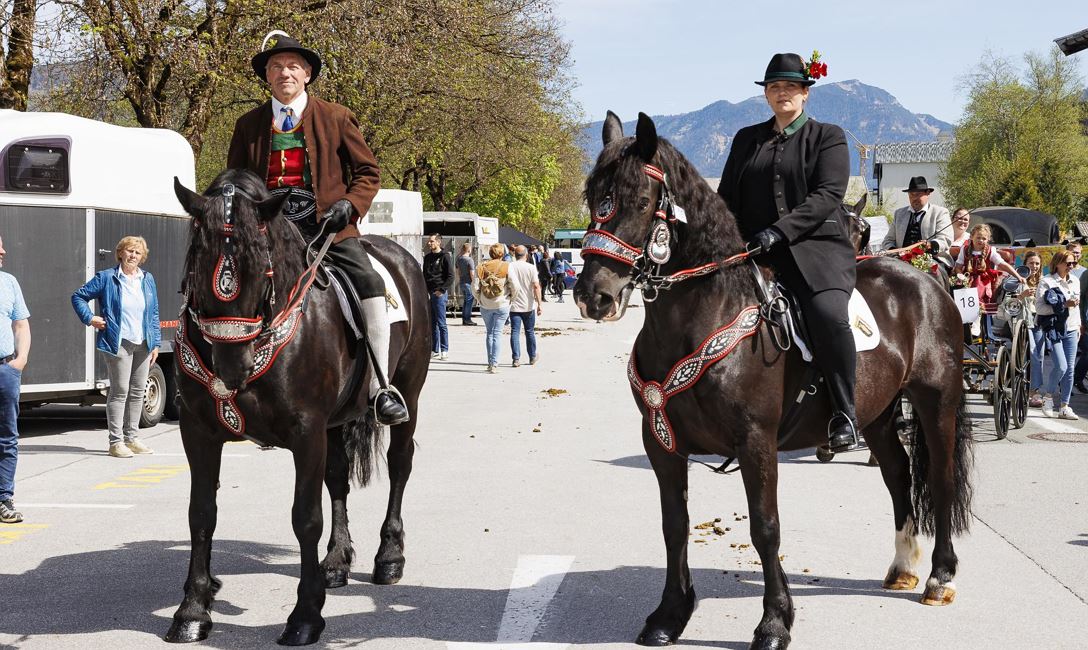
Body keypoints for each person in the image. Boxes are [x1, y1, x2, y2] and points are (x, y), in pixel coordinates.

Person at [227, 31, 407, 425]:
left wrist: (349, 205)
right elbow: (235, 180)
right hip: (267, 233)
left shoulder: (337, 117)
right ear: (267, 77)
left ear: (307, 74)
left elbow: (367, 172)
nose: (284, 73)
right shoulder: (248, 125)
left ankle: (381, 388)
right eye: (276, 67)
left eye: (292, 66)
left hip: (328, 230)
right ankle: (225, 383)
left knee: (370, 283)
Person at [716, 52, 860, 452]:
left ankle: (845, 411)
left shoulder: (828, 136)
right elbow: (726, 199)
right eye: (774, 87)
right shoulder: (747, 139)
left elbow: (828, 196)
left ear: (805, 93)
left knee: (828, 315)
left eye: (790, 87)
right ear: (766, 95)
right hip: (755, 253)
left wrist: (776, 233)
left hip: (816, 252)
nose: (782, 93)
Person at [71, 236, 159, 458]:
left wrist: (155, 342)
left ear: (142, 257)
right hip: (118, 341)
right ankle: (116, 442)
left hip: (143, 342)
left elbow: (154, 313)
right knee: (120, 391)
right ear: (120, 253)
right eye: (129, 251)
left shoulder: (147, 279)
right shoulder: (107, 278)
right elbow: (78, 297)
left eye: (137, 253)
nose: (133, 255)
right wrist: (90, 318)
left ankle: (132, 437)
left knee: (138, 391)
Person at [0, 234, 30, 524]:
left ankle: (3, 498)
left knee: (7, 438)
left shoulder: (8, 282)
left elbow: (21, 324)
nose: (3, 250)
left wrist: (19, 362)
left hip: (5, 369)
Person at [1036, 250, 1081, 419]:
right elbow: (1040, 308)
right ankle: (1048, 397)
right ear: (1057, 263)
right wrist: (1063, 304)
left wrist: (1078, 326)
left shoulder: (1075, 281)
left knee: (1069, 369)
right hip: (1054, 329)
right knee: (1061, 365)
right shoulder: (1047, 281)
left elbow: (1076, 306)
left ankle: (1064, 406)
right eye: (1068, 263)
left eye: (1073, 263)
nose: (1071, 266)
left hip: (1071, 328)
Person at [881, 176, 953, 271]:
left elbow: (946, 239)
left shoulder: (940, 212)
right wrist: (895, 253)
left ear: (927, 193)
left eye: (918, 194)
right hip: (901, 261)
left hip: (932, 260)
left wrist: (930, 244)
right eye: (911, 195)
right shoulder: (899, 214)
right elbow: (888, 240)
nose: (914, 198)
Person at [472, 243, 519, 373]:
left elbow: (475, 287)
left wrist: (479, 298)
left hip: (485, 304)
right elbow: (515, 286)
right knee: (497, 333)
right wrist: (511, 299)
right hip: (502, 303)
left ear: (490, 254)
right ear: (502, 254)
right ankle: (494, 364)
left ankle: (489, 362)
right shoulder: (506, 266)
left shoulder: (480, 267)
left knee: (489, 333)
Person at [507, 245, 543, 367]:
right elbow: (536, 286)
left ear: (514, 255)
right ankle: (532, 356)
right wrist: (539, 304)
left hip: (514, 305)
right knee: (529, 331)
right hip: (528, 305)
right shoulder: (531, 268)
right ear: (526, 255)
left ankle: (516, 358)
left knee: (515, 332)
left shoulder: (510, 266)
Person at [1020, 251, 1046, 407]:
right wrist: (1022, 295)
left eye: (1037, 263)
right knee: (1033, 354)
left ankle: (1033, 389)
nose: (1034, 266)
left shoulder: (1044, 281)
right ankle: (1033, 392)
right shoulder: (1019, 279)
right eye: (1031, 263)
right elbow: (1009, 302)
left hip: (1040, 321)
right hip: (1024, 321)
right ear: (1025, 264)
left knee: (1040, 356)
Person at [423, 234, 453, 359]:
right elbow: (424, 274)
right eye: (429, 241)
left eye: (432, 241)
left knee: (441, 323)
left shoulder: (445, 256)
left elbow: (451, 276)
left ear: (439, 242)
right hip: (429, 293)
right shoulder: (428, 257)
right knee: (432, 322)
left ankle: (444, 349)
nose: (429, 243)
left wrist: (442, 290)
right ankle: (434, 349)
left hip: (439, 293)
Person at [456, 242, 477, 326]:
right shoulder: (469, 260)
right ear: (469, 250)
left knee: (466, 301)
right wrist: (474, 283)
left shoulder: (459, 259)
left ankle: (464, 319)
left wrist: (461, 279)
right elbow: (472, 273)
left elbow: (458, 272)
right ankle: (467, 319)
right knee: (469, 301)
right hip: (468, 283)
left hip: (462, 282)